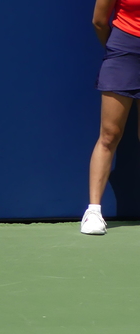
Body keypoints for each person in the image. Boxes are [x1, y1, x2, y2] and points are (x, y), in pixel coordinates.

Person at [81, 0, 140, 235]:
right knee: (110, 134)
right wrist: (117, 50)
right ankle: (93, 212)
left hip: (122, 48)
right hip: (123, 48)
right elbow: (99, 21)